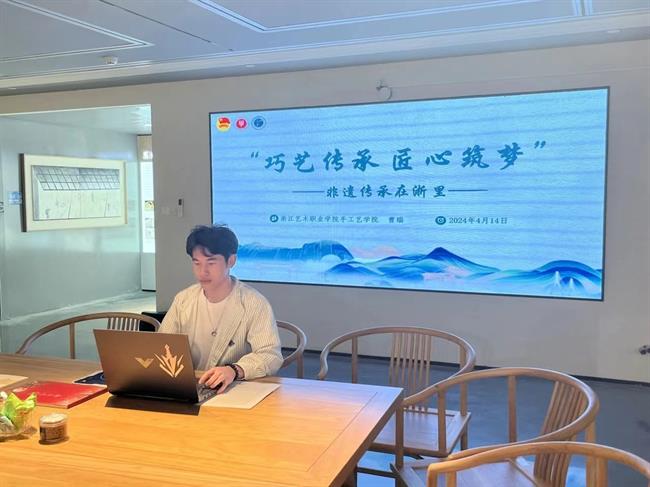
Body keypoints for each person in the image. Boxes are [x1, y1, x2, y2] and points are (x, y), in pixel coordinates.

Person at [159, 224, 283, 393]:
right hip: (188, 388)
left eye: (211, 263)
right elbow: (162, 345)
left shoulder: (254, 303)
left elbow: (270, 355)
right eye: (197, 263)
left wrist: (234, 370)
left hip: (235, 389)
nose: (203, 272)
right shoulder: (183, 300)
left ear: (231, 261)